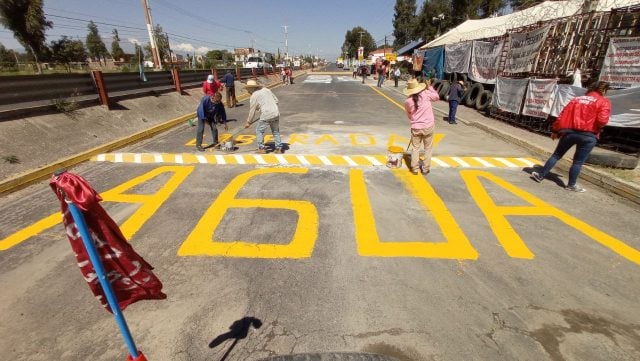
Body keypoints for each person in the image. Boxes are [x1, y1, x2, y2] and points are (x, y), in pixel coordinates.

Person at [531, 81, 611, 192]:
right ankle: (571, 185)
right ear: (603, 90)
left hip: (570, 133)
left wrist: (555, 130)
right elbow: (602, 121)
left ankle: (540, 175)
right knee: (578, 162)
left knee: (556, 155)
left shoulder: (576, 100)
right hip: (589, 135)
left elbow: (563, 115)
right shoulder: (603, 102)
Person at [403, 78, 440, 175]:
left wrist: (415, 120)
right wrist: (429, 87)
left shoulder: (407, 101)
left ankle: (414, 169)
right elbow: (436, 97)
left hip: (416, 127)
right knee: (428, 148)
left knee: (415, 148)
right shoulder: (425, 94)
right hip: (428, 125)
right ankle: (425, 169)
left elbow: (409, 114)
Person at [243, 80, 283, 154]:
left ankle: (261, 148)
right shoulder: (266, 90)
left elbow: (252, 111)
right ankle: (279, 148)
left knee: (259, 131)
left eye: (248, 89)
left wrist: (248, 122)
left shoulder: (254, 96)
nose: (247, 91)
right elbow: (276, 101)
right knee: (275, 131)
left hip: (266, 114)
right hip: (276, 113)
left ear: (250, 89)